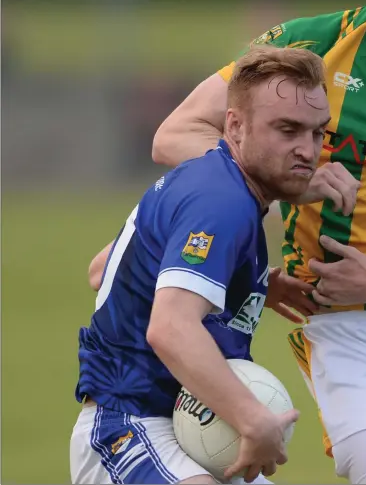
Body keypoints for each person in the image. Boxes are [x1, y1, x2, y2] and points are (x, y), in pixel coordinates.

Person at [70, 45, 332, 485]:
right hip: (130, 424)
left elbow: (104, 268)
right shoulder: (223, 202)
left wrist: (252, 286)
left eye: (317, 133)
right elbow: (170, 328)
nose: (307, 150)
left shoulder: (220, 182)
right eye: (287, 130)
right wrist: (253, 418)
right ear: (235, 125)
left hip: (188, 427)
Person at [151, 0, 366, 484]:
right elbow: (175, 134)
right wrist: (291, 179)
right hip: (349, 331)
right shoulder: (315, 43)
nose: (307, 143)